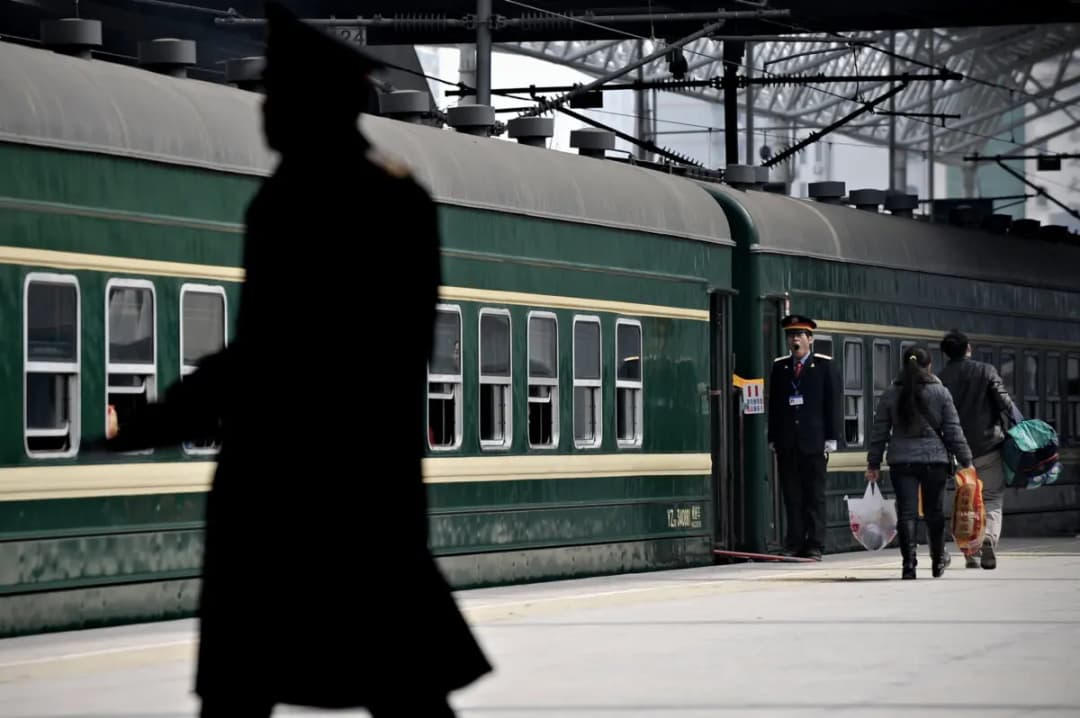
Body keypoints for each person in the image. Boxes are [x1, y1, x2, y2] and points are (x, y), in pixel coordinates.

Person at [92, 1, 492, 714]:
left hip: (280, 488)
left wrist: (155, 421)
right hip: (370, 487)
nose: (265, 110)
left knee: (242, 689)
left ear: (315, 101)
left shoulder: (293, 204)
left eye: (276, 93)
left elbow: (268, 355)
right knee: (401, 685)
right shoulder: (400, 198)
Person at [866, 347, 972, 580]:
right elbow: (953, 430)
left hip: (901, 461)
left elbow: (879, 432)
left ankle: (909, 565)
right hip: (935, 461)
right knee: (934, 513)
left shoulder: (891, 393)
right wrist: (966, 460)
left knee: (907, 513)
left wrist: (873, 463)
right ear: (929, 366)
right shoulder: (941, 392)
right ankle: (937, 560)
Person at [937, 329, 1024, 570]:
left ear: (945, 354)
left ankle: (970, 554)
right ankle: (988, 540)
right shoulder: (986, 371)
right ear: (968, 349)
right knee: (992, 497)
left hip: (959, 454)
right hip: (989, 448)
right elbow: (1006, 405)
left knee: (965, 503)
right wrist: (1025, 431)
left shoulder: (941, 378)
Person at [767, 314, 840, 560]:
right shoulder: (780, 367)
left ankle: (815, 543)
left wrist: (831, 438)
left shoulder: (823, 366)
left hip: (814, 441)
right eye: (790, 336)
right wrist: (773, 437)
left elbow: (832, 404)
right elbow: (775, 405)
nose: (794, 340)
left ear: (810, 339)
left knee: (814, 495)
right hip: (788, 441)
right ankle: (794, 542)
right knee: (792, 495)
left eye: (798, 335)